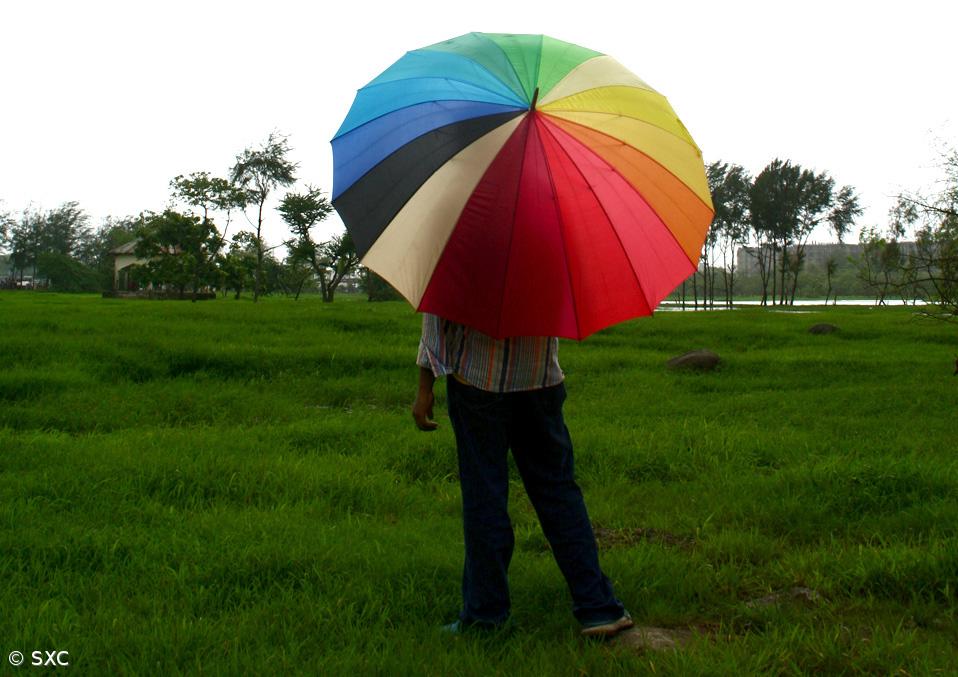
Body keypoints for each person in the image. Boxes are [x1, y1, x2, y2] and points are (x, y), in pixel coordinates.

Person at [412, 313, 633, 638]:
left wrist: (424, 388)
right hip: (540, 381)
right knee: (559, 494)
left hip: (478, 387)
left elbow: (436, 326)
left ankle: (485, 616)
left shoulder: (455, 259)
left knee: (484, 499)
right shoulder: (553, 259)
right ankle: (598, 609)